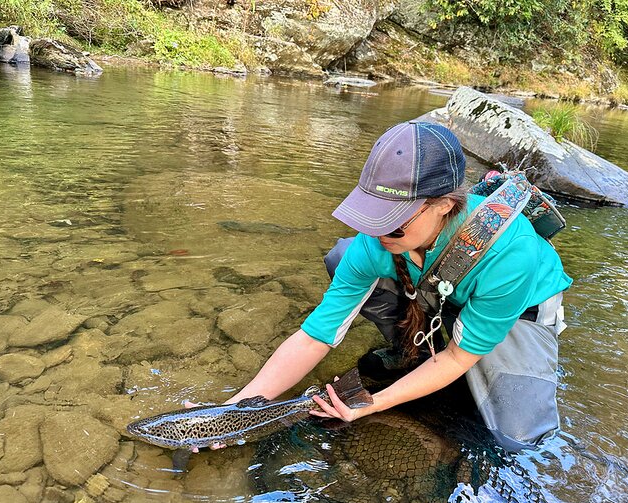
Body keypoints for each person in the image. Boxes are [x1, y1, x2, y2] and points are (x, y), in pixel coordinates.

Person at [215, 121, 572, 452]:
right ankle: (413, 352)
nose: (377, 233)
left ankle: (443, 359)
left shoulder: (511, 251)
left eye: (393, 223)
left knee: (517, 436)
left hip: (522, 306)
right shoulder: (376, 243)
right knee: (342, 256)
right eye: (370, 216)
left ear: (444, 205)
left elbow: (458, 357)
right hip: (441, 285)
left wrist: (371, 404)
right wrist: (233, 413)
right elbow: (315, 336)